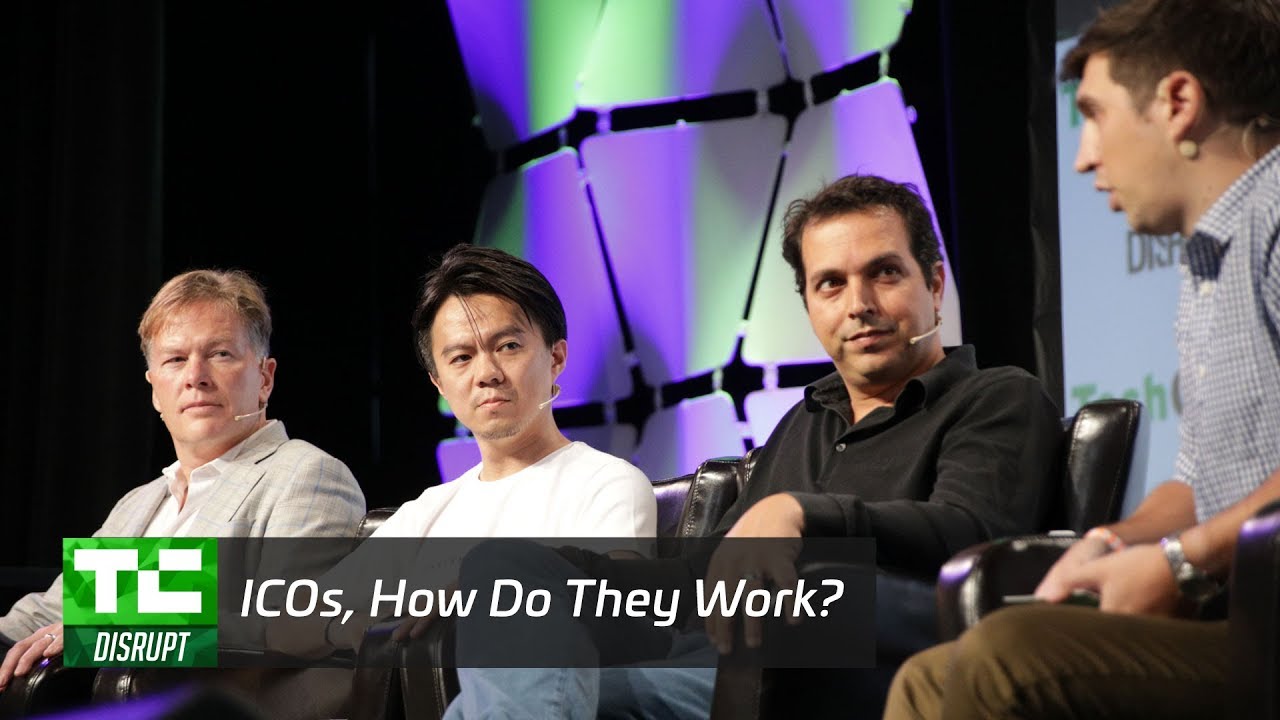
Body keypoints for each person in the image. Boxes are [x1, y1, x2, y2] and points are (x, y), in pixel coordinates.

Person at [437, 174, 1063, 719]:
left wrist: (802, 515)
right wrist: (557, 569)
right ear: (809, 305)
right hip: (718, 665)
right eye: (831, 284)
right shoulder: (804, 424)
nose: (860, 305)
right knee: (505, 578)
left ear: (935, 283)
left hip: (873, 654)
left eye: (884, 273)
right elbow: (701, 574)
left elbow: (971, 532)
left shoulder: (996, 396)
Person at [885, 1, 1280, 717]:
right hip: (1236, 615)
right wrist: (1111, 540)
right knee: (925, 680)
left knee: (1004, 656)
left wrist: (1179, 561)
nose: (1084, 156)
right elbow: (1201, 480)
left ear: (1179, 103)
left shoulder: (1275, 215)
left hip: (1263, 629)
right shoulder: (1208, 266)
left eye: (1095, 115)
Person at [0, 269, 366, 691]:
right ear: (155, 390)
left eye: (221, 354)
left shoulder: (307, 474)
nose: (196, 376)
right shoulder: (139, 503)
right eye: (175, 360)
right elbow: (51, 614)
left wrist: (115, 631)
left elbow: (292, 624)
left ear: (265, 378)